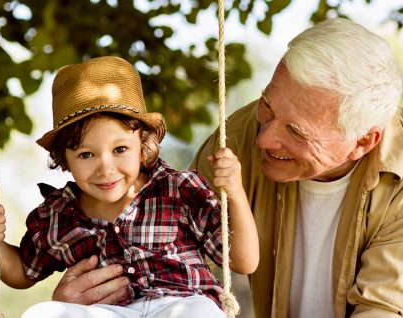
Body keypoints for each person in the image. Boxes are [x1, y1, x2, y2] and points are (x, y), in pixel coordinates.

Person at [45, 18, 403, 317]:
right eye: (268, 105)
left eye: (296, 131)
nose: (263, 140)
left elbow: (383, 310)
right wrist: (79, 309)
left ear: (362, 142)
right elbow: (158, 248)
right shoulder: (237, 137)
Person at [0, 56, 259, 318]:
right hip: (111, 312)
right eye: (86, 154)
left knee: (202, 313)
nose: (105, 168)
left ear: (143, 146)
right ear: (64, 158)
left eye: (120, 149)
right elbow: (23, 272)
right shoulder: (59, 214)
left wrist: (234, 192)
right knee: (41, 314)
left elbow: (243, 261)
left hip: (181, 303)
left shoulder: (177, 189)